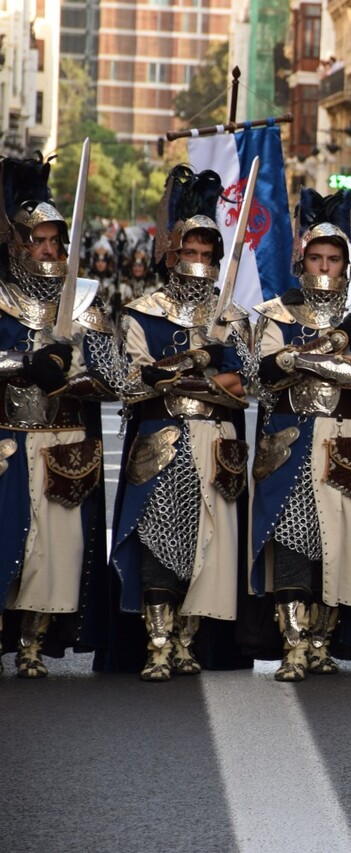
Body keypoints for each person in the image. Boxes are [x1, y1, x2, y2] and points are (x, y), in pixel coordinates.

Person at [110, 166, 252, 681]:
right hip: (161, 440)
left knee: (207, 546)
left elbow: (244, 384)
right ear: (172, 254)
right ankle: (157, 644)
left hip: (216, 441)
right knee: (157, 538)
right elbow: (132, 382)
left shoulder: (233, 316)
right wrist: (198, 369)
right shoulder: (141, 312)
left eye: (206, 254)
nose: (197, 262)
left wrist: (178, 378)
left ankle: (189, 643)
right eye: (189, 251)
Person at [250, 188, 351, 681]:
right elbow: (264, 372)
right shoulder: (276, 314)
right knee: (291, 537)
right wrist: (324, 360)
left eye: (333, 259)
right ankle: (293, 644)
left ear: (346, 266)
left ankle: (323, 642)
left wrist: (308, 360)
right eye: (316, 258)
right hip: (291, 439)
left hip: (350, 440)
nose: (324, 267)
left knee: (340, 544)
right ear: (301, 261)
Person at [0, 156, 114, 677]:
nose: (49, 250)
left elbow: (117, 379)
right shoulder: (2, 298)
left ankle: (34, 642)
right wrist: (26, 364)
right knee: (9, 541)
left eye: (55, 241)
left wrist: (78, 377)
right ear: (18, 246)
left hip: (66, 441)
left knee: (55, 549)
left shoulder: (86, 302)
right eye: (38, 241)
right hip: (9, 437)